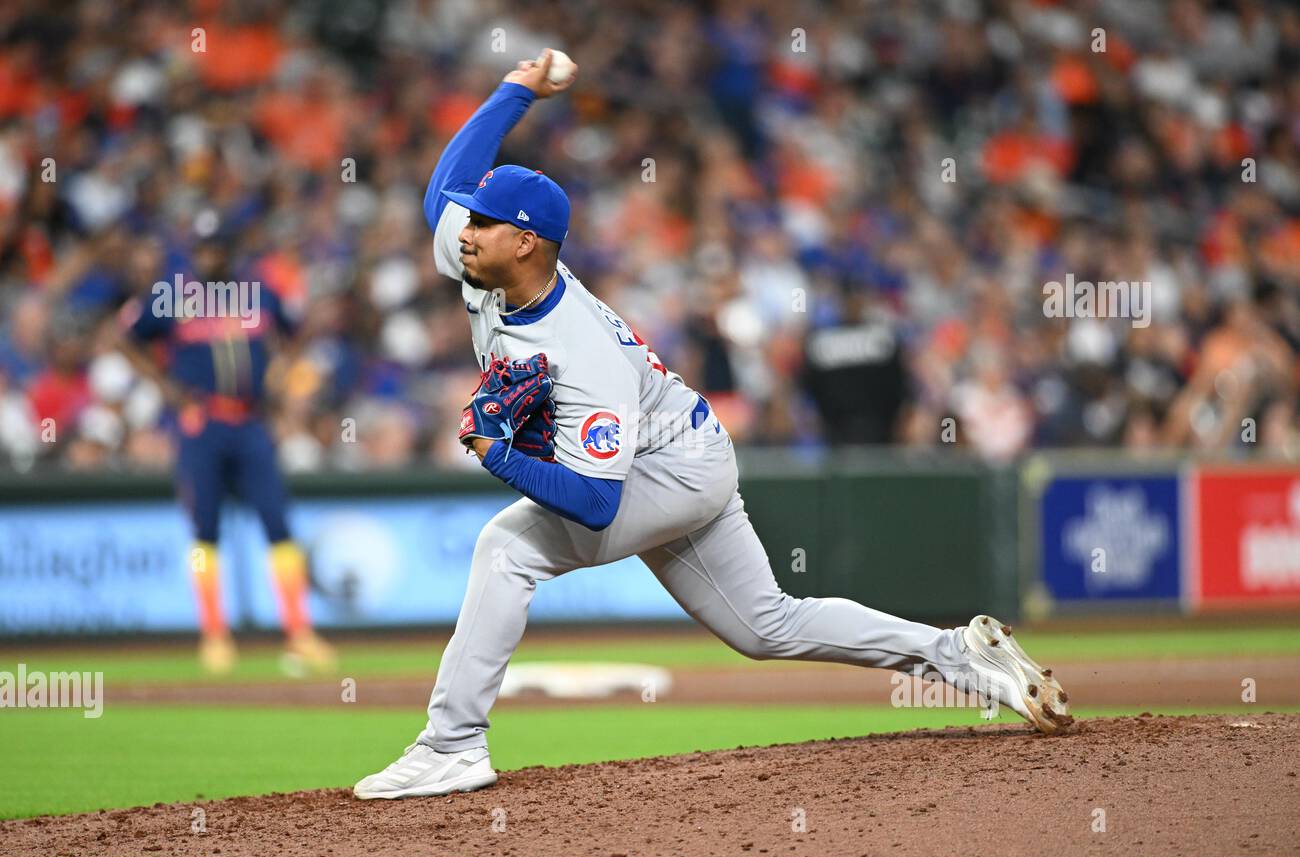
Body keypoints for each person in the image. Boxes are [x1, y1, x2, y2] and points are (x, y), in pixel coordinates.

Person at [353, 52, 1070, 799]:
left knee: (506, 549)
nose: (465, 229)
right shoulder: (482, 258)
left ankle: (454, 745)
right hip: (683, 451)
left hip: (669, 468)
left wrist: (497, 454)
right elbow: (443, 189)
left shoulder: (577, 350)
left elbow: (597, 504)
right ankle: (960, 655)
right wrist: (515, 91)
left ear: (527, 242)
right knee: (767, 627)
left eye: (488, 223)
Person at [117, 231, 336, 677]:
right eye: (203, 249)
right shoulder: (173, 294)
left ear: (229, 252)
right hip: (203, 422)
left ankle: (300, 631)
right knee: (205, 530)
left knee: (278, 524)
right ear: (193, 252)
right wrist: (165, 387)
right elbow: (127, 337)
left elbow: (295, 331)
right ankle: (214, 634)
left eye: (217, 248)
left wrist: (278, 372)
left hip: (252, 421)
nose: (210, 256)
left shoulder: (258, 292)